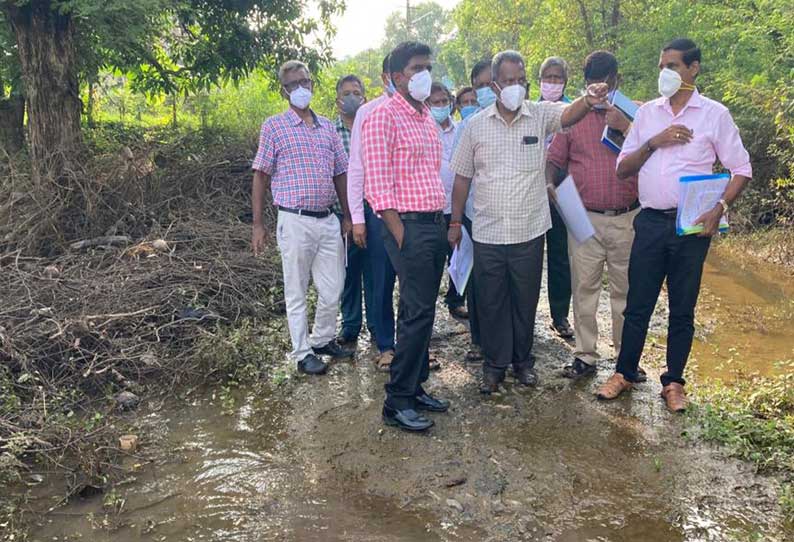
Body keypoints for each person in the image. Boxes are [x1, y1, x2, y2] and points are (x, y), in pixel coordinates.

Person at [596, 38, 752, 411]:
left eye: (673, 66)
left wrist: (720, 207)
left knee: (682, 307)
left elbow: (741, 169)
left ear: (693, 69)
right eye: (662, 66)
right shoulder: (648, 114)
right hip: (649, 221)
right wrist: (655, 141)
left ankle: (674, 382)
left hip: (691, 227)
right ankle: (624, 372)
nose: (665, 73)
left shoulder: (714, 115)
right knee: (638, 303)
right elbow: (622, 169)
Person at [449, 50, 609, 393]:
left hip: (529, 230)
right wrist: (456, 222)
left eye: (521, 80)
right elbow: (462, 177)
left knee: (524, 301)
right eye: (509, 81)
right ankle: (494, 367)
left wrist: (590, 97)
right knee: (492, 303)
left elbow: (569, 113)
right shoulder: (475, 126)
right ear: (493, 86)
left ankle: (523, 363)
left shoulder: (539, 115)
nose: (516, 87)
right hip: (488, 231)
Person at [362, 41, 450, 432]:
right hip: (407, 226)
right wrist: (400, 233)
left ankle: (414, 387)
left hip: (432, 223)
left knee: (419, 311)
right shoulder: (382, 116)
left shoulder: (425, 114)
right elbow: (377, 184)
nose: (424, 74)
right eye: (417, 68)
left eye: (427, 66)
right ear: (397, 76)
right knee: (416, 314)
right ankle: (396, 401)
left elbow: (430, 172)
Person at [251, 60, 354, 376]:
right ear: (284, 91)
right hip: (294, 220)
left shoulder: (327, 128)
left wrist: (349, 216)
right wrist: (258, 225)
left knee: (333, 287)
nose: (300, 88)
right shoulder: (274, 126)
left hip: (327, 220)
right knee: (296, 289)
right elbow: (260, 175)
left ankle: (322, 338)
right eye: (293, 84)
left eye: (304, 82)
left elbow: (341, 173)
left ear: (312, 84)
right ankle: (302, 352)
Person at [546, 51, 644, 380]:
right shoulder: (573, 117)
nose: (600, 90)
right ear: (586, 83)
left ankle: (625, 359)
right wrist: (549, 183)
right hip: (584, 217)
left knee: (626, 291)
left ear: (617, 80)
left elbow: (657, 156)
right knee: (584, 288)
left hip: (627, 217)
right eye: (593, 83)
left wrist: (627, 126)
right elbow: (555, 159)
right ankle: (585, 356)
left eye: (606, 82)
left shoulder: (638, 114)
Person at [347, 55, 398, 373]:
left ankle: (413, 343)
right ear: (386, 77)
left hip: (415, 212)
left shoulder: (420, 113)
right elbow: (357, 167)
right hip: (378, 211)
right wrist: (358, 218)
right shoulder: (368, 112)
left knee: (414, 283)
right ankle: (386, 344)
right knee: (381, 280)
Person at [448, 58, 495, 363]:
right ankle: (479, 340)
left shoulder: (525, 117)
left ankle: (514, 343)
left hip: (510, 215)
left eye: (489, 85)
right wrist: (456, 220)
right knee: (479, 281)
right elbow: (459, 175)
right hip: (475, 215)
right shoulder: (466, 127)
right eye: (478, 86)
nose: (484, 92)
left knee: (509, 282)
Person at [333, 74, 376, 346]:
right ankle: (350, 325)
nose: (352, 97)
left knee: (375, 272)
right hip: (342, 214)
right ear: (338, 100)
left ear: (364, 98)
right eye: (347, 93)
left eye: (356, 92)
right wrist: (346, 216)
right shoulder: (329, 131)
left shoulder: (372, 129)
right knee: (348, 273)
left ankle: (377, 324)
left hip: (373, 211)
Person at [538, 56, 574, 340]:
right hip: (532, 191)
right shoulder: (529, 109)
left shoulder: (576, 110)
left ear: (566, 81)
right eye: (547, 77)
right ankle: (525, 316)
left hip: (567, 191)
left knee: (562, 255)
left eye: (557, 78)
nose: (552, 82)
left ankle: (560, 315)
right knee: (530, 255)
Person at [429, 81, 468, 320]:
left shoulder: (461, 129)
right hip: (433, 206)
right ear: (427, 105)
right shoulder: (424, 129)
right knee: (432, 262)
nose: (441, 105)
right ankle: (427, 309)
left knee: (459, 256)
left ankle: (456, 300)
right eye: (436, 102)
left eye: (444, 101)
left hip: (457, 205)